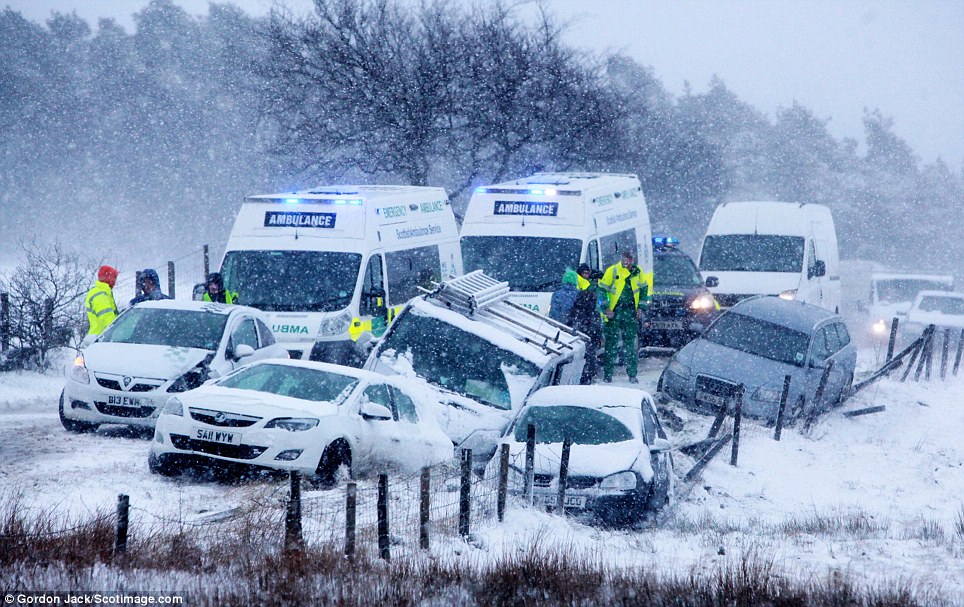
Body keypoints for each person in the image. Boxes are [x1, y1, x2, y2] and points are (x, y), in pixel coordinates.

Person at [599, 250, 650, 383]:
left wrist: (641, 308)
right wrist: (606, 307)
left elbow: (644, 290)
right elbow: (602, 289)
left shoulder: (638, 273)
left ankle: (632, 374)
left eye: (629, 259)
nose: (627, 261)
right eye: (625, 259)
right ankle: (608, 374)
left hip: (630, 313)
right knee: (611, 344)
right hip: (614, 313)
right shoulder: (613, 270)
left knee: (630, 345)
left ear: (633, 260)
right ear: (622, 259)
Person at [567, 263, 605, 384]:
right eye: (584, 273)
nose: (587, 275)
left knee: (585, 354)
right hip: (588, 331)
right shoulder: (587, 292)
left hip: (582, 330)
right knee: (589, 354)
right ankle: (587, 375)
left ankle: (584, 374)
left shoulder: (578, 307)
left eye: (588, 273)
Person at [84, 265, 119, 344]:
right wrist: (118, 331)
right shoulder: (100, 294)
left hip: (100, 337)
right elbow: (107, 319)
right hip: (100, 338)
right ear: (108, 278)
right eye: (113, 278)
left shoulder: (104, 292)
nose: (114, 281)